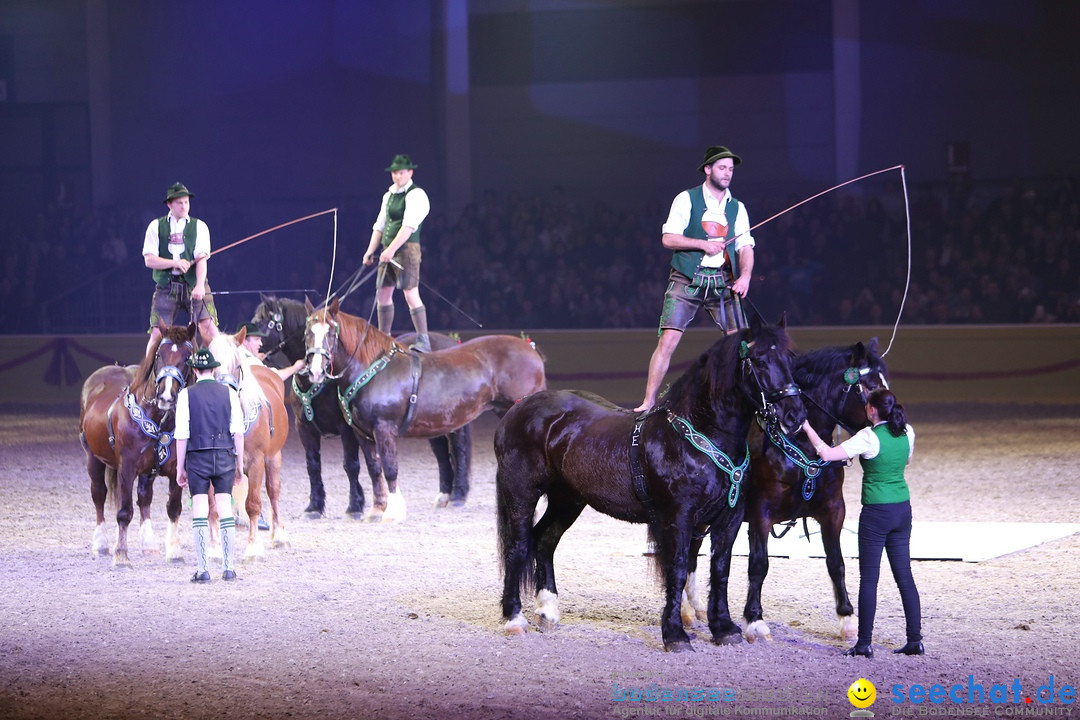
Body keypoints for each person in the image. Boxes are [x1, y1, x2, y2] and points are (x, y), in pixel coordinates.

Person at [801, 388, 924, 658]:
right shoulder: (908, 431)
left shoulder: (868, 436)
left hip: (877, 512)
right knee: (904, 577)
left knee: (869, 579)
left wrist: (807, 426)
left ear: (871, 410)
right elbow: (907, 460)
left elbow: (825, 453)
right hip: (902, 509)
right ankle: (915, 639)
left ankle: (864, 643)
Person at [634, 146, 756, 412]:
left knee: (741, 342)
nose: (727, 173)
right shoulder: (687, 199)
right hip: (688, 277)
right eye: (722, 168)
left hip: (722, 280)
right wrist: (703, 244)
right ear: (708, 169)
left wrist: (745, 277)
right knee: (667, 340)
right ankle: (648, 401)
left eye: (731, 169)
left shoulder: (737, 208)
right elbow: (668, 238)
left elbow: (745, 246)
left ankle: (745, 399)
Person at [175, 348, 245, 583]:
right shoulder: (229, 393)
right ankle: (228, 567)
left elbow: (182, 434)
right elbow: (238, 433)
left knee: (200, 512)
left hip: (197, 458)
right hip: (225, 455)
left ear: (194, 371)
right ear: (214, 369)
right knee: (225, 508)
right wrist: (240, 464)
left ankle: (203, 568)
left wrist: (179, 468)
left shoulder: (186, 394)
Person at [362, 153, 432, 353]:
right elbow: (380, 225)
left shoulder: (416, 195)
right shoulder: (389, 195)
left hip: (407, 249)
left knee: (410, 293)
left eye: (401, 173)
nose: (397, 177)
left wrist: (391, 250)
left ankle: (423, 339)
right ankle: (383, 337)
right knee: (383, 294)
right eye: (394, 173)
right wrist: (370, 251)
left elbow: (408, 226)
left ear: (410, 172)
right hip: (387, 251)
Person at [142, 182, 219, 354]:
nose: (184, 206)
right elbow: (149, 260)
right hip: (166, 286)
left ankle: (216, 374)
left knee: (210, 330)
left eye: (186, 202)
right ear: (170, 204)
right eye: (179, 203)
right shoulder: (156, 226)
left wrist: (200, 285)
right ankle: (148, 377)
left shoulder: (200, 226)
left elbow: (201, 259)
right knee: (156, 333)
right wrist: (174, 263)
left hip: (193, 283)